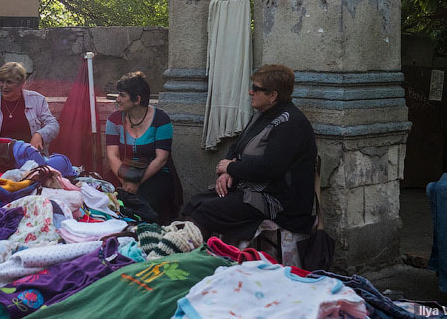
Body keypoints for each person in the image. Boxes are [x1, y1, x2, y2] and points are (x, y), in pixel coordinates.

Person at [181, 63, 317, 243]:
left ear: (273, 96)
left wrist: (233, 167)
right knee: (195, 203)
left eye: (256, 89)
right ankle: (182, 249)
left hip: (278, 201)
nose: (250, 92)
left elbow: (270, 167)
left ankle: (192, 254)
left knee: (209, 210)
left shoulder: (290, 123)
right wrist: (227, 170)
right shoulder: (261, 115)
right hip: (250, 189)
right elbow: (236, 147)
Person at [105, 72, 179, 223]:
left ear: (137, 99)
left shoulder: (161, 119)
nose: (117, 100)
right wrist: (125, 181)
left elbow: (161, 159)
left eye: (122, 95)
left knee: (145, 201)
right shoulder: (114, 119)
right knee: (104, 197)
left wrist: (137, 182)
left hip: (153, 173)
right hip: (122, 171)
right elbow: (112, 156)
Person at [0, 62, 59, 152]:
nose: (4, 86)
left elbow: (53, 124)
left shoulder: (37, 100)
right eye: (2, 81)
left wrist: (40, 134)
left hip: (30, 157)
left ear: (22, 83)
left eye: (9, 82)